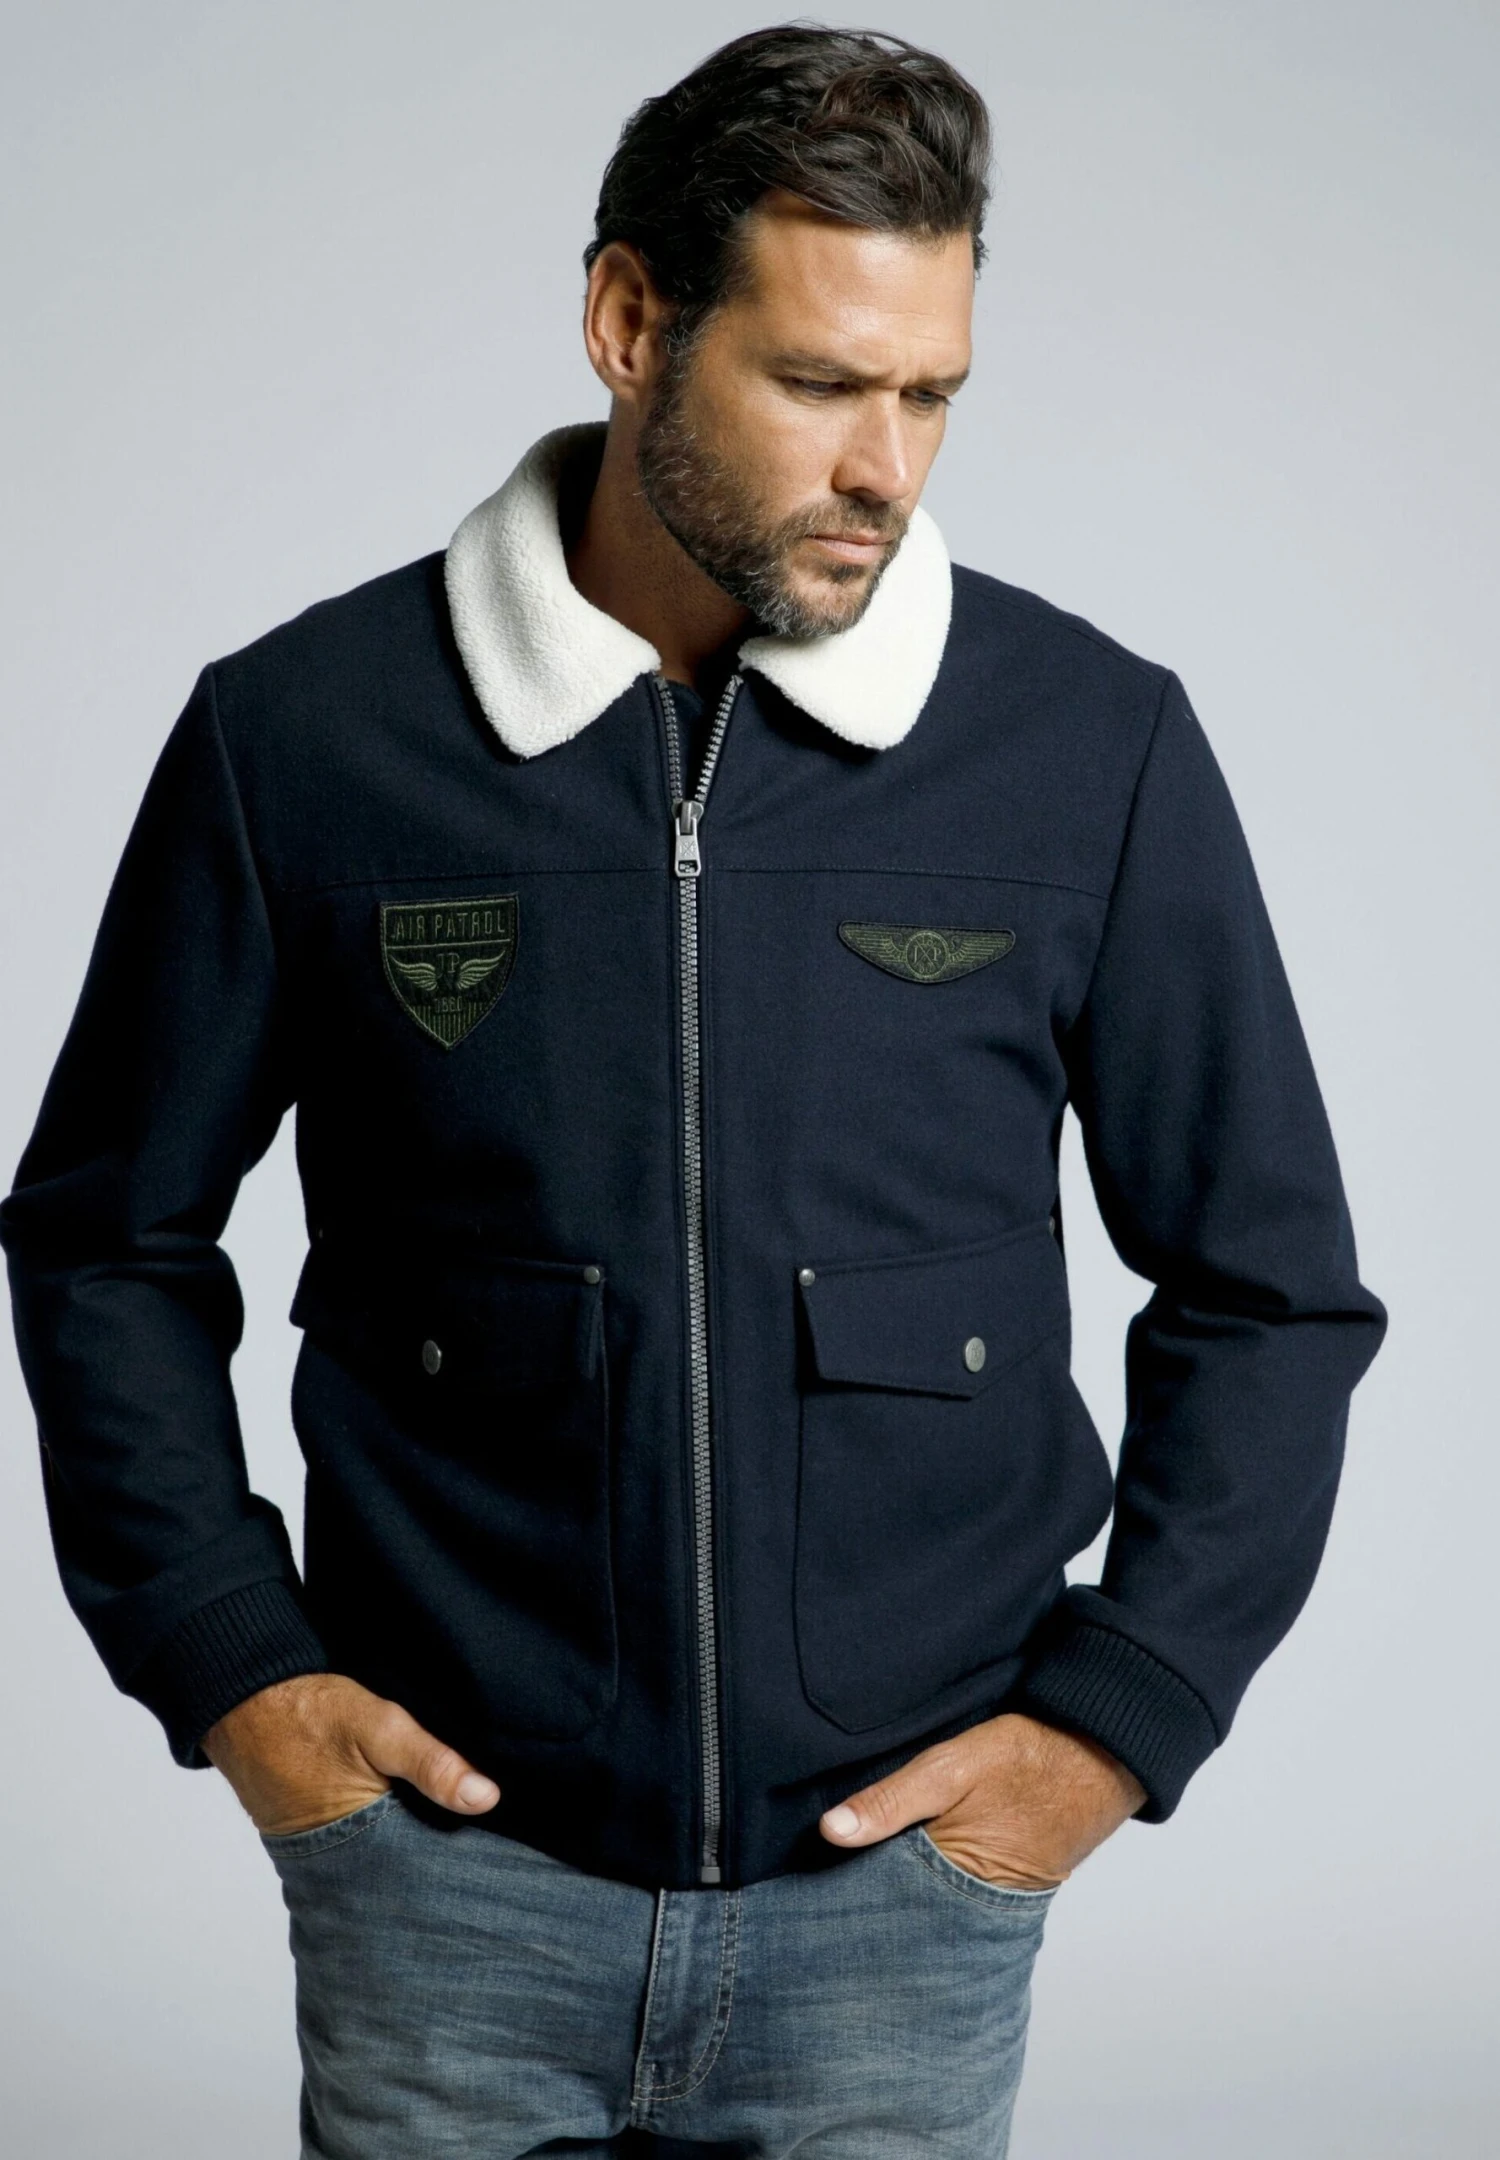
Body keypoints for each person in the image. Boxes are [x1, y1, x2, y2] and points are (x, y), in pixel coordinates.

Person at [0, 24, 1386, 2158]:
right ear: (631, 321)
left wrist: (1112, 1730)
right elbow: (105, 1236)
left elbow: (1272, 1292)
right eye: (821, 383)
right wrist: (233, 1670)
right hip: (447, 1898)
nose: (887, 469)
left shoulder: (1086, 750)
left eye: (931, 394)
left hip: (901, 1910)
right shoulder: (302, 741)